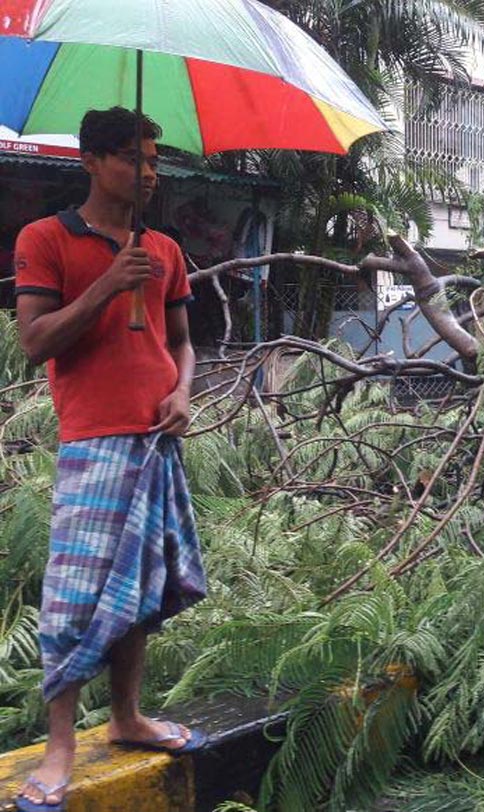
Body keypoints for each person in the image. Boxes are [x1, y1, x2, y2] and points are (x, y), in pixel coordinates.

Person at [11, 107, 207, 812]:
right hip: (92, 440)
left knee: (143, 593)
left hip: (158, 440)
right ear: (90, 161)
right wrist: (104, 286)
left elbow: (182, 342)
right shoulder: (44, 238)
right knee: (72, 596)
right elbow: (36, 342)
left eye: (153, 160)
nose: (147, 172)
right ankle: (61, 744)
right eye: (131, 157)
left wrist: (183, 392)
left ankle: (126, 717)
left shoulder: (166, 249)